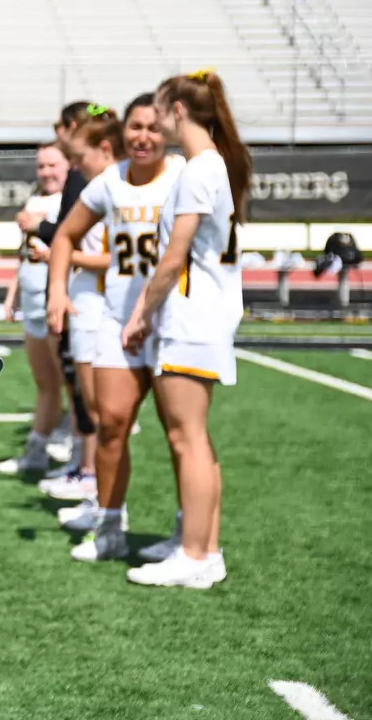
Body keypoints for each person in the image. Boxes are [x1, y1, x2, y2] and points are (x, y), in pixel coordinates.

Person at [120, 70, 249, 589]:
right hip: (203, 316)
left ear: (177, 110)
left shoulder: (199, 169)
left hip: (191, 318)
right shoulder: (213, 165)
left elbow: (173, 260)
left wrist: (140, 313)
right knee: (195, 438)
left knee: (186, 437)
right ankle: (201, 546)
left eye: (159, 110)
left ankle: (196, 555)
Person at [47, 95, 182, 563]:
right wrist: (56, 293)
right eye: (136, 127)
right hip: (117, 319)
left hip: (171, 320)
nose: (143, 136)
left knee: (180, 436)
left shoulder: (185, 175)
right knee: (110, 425)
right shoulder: (110, 181)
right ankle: (109, 526)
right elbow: (65, 234)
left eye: (152, 127)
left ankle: (190, 536)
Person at [38, 107, 120, 510]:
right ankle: (95, 489)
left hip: (104, 306)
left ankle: (98, 492)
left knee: (101, 413)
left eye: (81, 157)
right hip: (87, 302)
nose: (76, 167)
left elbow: (116, 259)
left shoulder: (113, 190)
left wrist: (67, 260)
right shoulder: (98, 189)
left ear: (104, 150)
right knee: (88, 405)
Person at [0, 143, 69, 476]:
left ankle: (79, 456)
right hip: (33, 300)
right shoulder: (36, 198)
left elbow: (78, 252)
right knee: (46, 383)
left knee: (73, 385)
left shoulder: (76, 200)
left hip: (59, 300)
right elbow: (25, 253)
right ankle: (37, 452)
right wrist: (13, 294)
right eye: (42, 166)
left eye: (53, 164)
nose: (46, 172)